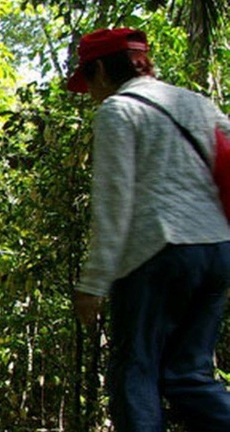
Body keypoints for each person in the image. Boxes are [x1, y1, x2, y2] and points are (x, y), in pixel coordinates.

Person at [68, 27, 230, 431]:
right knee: (188, 377)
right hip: (217, 251)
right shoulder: (197, 103)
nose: (89, 93)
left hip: (158, 251)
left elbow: (113, 201)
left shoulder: (118, 112)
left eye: (88, 81)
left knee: (135, 374)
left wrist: (94, 282)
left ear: (101, 69)